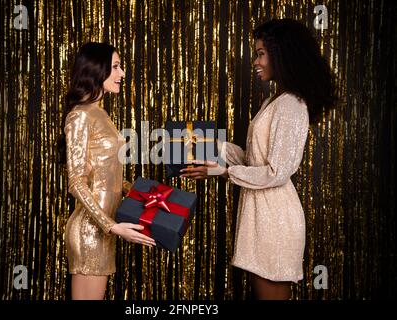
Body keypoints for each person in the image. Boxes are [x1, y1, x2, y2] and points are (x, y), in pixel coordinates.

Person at [180, 19, 334, 300]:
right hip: (261, 214)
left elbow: (276, 172)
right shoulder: (274, 101)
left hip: (275, 218)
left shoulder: (291, 105)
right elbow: (254, 161)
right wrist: (213, 147)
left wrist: (224, 172)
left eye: (260, 53)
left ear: (282, 55)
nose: (255, 61)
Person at [59, 42, 156, 300]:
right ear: (95, 69)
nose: (122, 73)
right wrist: (112, 227)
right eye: (115, 66)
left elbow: (106, 174)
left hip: (104, 229)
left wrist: (140, 192)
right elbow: (77, 181)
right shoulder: (80, 116)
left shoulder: (99, 114)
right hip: (91, 230)